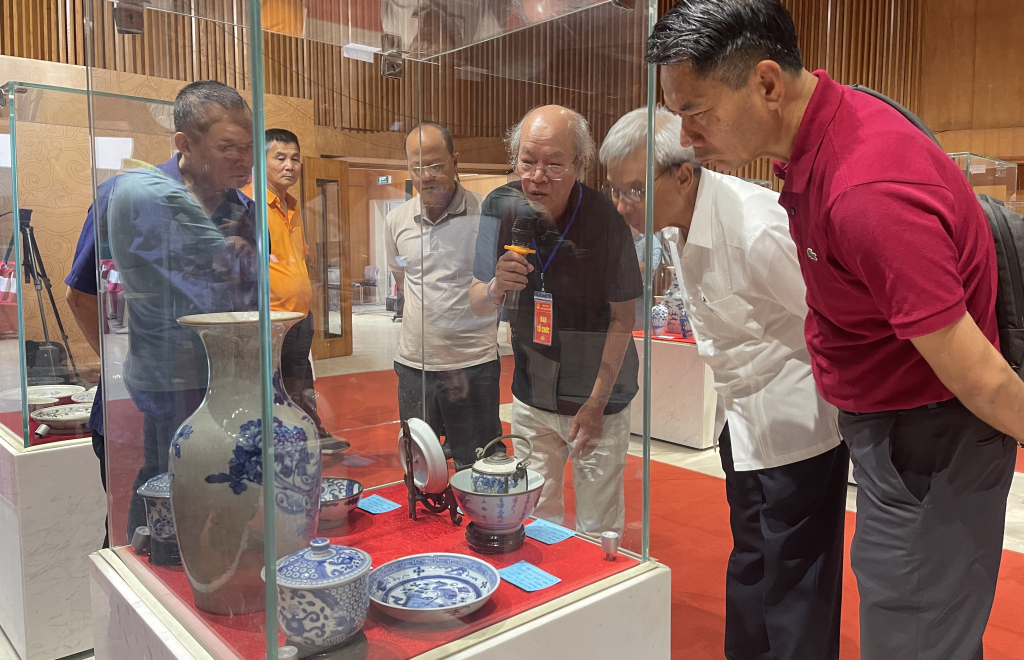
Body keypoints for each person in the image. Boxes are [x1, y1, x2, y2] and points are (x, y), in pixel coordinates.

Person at [648, 2, 1024, 658]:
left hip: (928, 440)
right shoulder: (822, 135)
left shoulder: (866, 190)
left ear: (767, 83)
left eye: (696, 111)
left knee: (912, 635)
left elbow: (984, 380)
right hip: (892, 430)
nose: (685, 135)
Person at [602, 105, 848, 659]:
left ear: (683, 175)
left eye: (633, 191)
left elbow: (831, 322)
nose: (622, 205)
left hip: (799, 429)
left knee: (799, 579)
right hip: (741, 421)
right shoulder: (676, 222)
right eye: (615, 190)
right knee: (751, 563)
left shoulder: (755, 228)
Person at [95, 80, 260, 556]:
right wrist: (127, 365)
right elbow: (81, 292)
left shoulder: (243, 210)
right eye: (228, 147)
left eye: (248, 147)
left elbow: (247, 294)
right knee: (163, 481)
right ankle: (150, 567)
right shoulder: (129, 196)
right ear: (185, 143)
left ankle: (218, 564)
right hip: (166, 381)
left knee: (230, 476)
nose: (244, 160)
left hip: (229, 378)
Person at [469, 105, 641, 536]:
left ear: (581, 165)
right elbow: (476, 301)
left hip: (597, 395)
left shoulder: (607, 219)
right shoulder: (500, 206)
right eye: (527, 161)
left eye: (554, 164)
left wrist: (597, 403)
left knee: (597, 523)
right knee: (534, 518)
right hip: (533, 391)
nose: (537, 177)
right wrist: (495, 287)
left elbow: (623, 318)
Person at [385, 122, 503, 469]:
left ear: (456, 161)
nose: (426, 176)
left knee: (477, 466)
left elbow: (496, 287)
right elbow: (402, 278)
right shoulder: (397, 220)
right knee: (419, 465)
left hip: (473, 363)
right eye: (417, 167)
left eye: (436, 165)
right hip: (414, 365)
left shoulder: (484, 215)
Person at [242, 129, 346, 453]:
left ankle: (310, 432)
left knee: (300, 380)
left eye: (295, 158)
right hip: (270, 319)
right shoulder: (248, 204)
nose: (290, 165)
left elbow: (299, 257)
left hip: (300, 314)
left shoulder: (291, 205)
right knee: (275, 387)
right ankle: (280, 445)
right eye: (280, 158)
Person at [65, 237, 107, 548]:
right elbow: (79, 296)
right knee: (135, 529)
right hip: (143, 399)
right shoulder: (117, 206)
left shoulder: (240, 211)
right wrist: (119, 365)